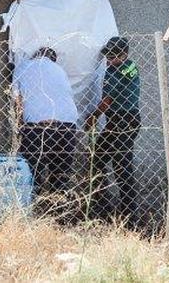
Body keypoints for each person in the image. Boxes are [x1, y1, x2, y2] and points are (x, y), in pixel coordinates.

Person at [85, 36, 141, 227]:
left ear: (124, 54)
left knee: (121, 166)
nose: (109, 59)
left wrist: (91, 118)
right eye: (108, 55)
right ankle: (104, 201)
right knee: (99, 157)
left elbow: (107, 101)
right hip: (124, 120)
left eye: (113, 55)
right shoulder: (131, 65)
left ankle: (128, 214)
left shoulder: (115, 72)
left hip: (122, 121)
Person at [12, 47, 78, 195]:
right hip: (67, 127)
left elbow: (17, 99)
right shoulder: (60, 70)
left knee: (32, 172)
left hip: (38, 126)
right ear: (53, 59)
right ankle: (59, 212)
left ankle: (32, 208)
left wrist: (19, 125)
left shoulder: (23, 66)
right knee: (60, 176)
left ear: (35, 56)